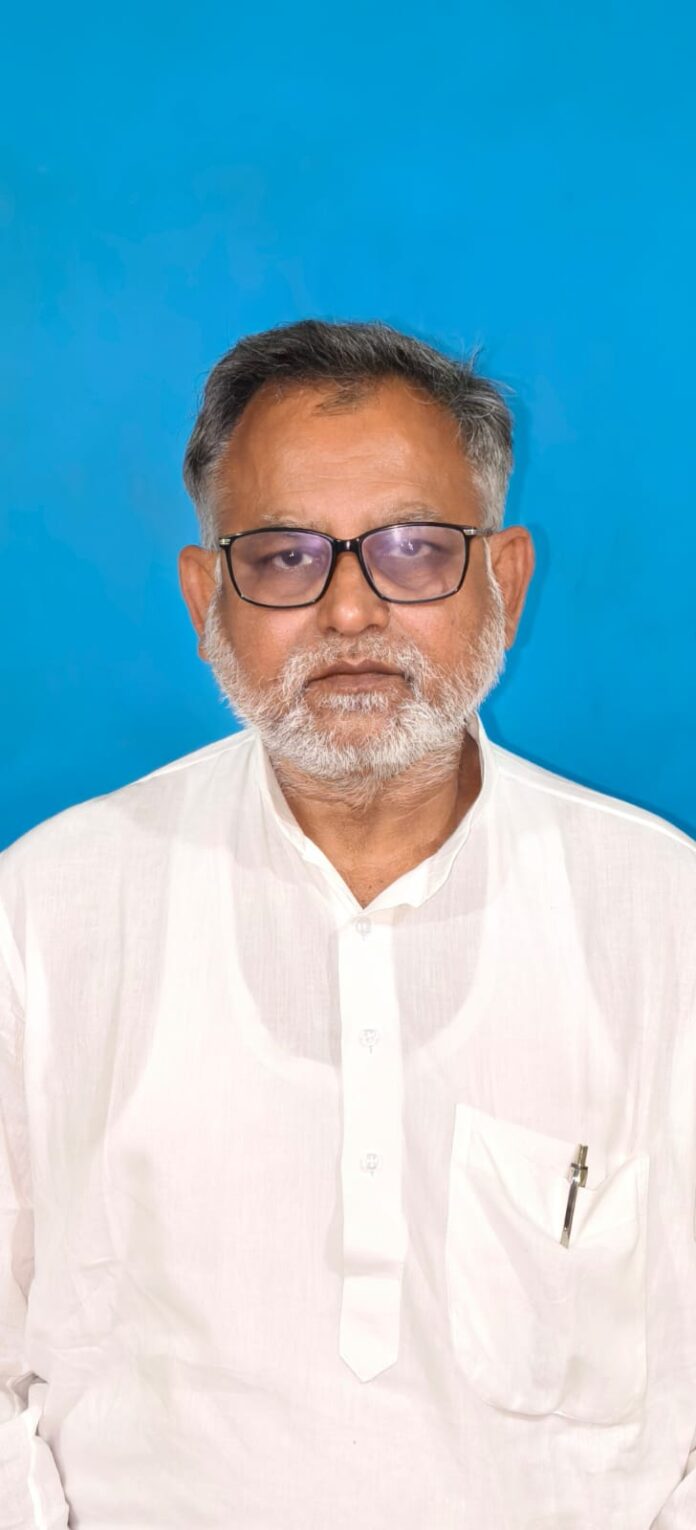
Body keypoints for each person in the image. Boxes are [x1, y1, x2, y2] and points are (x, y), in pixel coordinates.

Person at [0, 319, 694, 1530]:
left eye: (415, 550)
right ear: (205, 596)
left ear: (505, 579)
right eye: (284, 558)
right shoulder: (50, 912)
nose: (351, 612)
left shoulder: (660, 916)